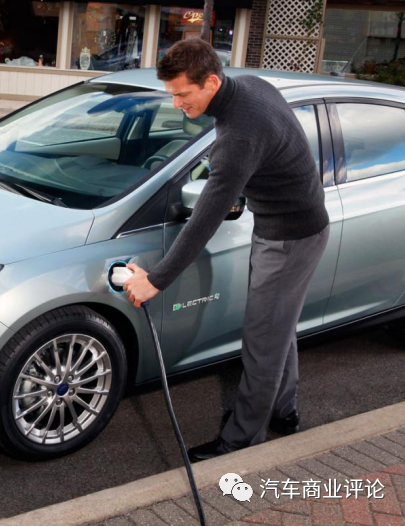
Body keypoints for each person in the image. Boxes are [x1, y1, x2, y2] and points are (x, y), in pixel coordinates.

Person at [121, 39, 331, 461]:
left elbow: (204, 220)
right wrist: (251, 187)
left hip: (290, 237)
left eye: (183, 94)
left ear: (211, 81)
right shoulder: (253, 85)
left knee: (261, 339)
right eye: (172, 94)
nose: (177, 103)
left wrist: (155, 281)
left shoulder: (237, 136)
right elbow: (277, 148)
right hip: (295, 226)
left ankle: (240, 442)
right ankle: (284, 413)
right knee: (277, 328)